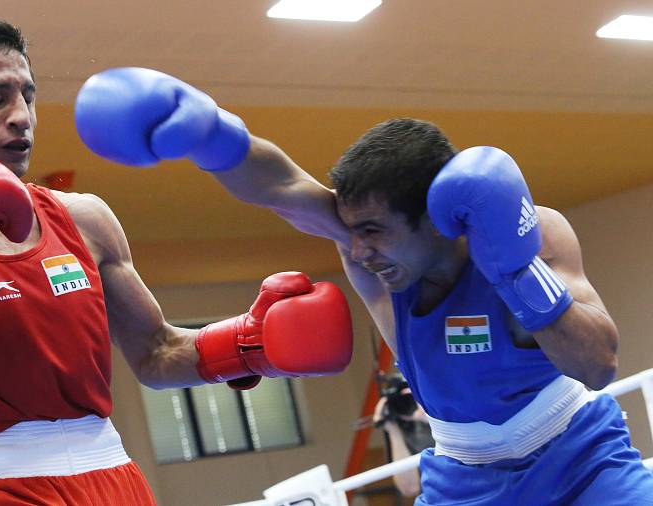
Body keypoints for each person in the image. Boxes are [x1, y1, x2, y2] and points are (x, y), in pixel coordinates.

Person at [72, 67, 653, 504]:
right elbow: (278, 186)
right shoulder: (372, 256)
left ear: (436, 217)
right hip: (463, 477)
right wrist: (212, 135)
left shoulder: (533, 235)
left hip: (582, 458)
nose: (359, 250)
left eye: (374, 231)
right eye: (352, 231)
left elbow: (599, 364)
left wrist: (515, 272)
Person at [0, 17, 355, 505]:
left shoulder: (84, 218)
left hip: (116, 478)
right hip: (5, 486)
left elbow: (156, 351)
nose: (22, 116)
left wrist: (252, 343)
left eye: (27, 95)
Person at [371, 371, 432, 499]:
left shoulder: (445, 411)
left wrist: (432, 417)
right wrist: (392, 430)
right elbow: (410, 489)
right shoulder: (399, 428)